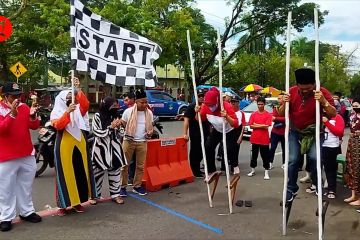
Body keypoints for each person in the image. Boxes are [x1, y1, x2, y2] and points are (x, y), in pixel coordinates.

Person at [278, 68, 336, 201]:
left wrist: (323, 102)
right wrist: (285, 103)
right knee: (292, 160)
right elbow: (281, 113)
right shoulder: (291, 91)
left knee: (315, 158)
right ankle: (291, 188)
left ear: (314, 84)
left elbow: (333, 114)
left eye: (308, 88)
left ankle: (317, 184)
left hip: (314, 132)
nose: (305, 91)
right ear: (297, 85)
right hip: (295, 131)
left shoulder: (322, 92)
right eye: (302, 89)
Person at [50, 78, 97, 215]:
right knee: (65, 173)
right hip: (64, 143)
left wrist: (78, 89)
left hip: (79, 142)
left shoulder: (78, 110)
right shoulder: (56, 112)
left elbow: (85, 105)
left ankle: (78, 202)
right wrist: (67, 113)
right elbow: (58, 125)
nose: (72, 100)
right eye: (69, 98)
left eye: (73, 98)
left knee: (80, 171)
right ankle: (63, 205)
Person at [0, 82, 42, 232]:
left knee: (26, 186)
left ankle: (27, 211)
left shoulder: (24, 107)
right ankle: (6, 217)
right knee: (6, 189)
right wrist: (11, 114)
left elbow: (34, 126)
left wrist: (33, 115)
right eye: (14, 96)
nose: (18, 98)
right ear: (5, 96)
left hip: (26, 153)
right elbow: (2, 130)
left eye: (19, 95)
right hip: (6, 156)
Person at [91, 97, 128, 205]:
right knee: (97, 174)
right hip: (100, 149)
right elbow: (97, 133)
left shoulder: (116, 116)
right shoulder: (97, 116)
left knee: (115, 173)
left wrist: (120, 126)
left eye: (116, 106)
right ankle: (94, 196)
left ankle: (116, 195)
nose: (115, 108)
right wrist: (111, 127)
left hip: (114, 149)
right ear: (106, 105)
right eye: (113, 106)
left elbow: (121, 134)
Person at [196, 87, 240, 175]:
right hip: (217, 129)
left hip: (230, 130)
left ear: (217, 102)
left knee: (229, 148)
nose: (210, 107)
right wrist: (197, 113)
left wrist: (227, 116)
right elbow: (200, 119)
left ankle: (234, 165)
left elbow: (235, 123)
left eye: (212, 105)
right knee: (208, 147)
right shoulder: (205, 107)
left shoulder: (226, 106)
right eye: (208, 105)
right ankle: (211, 169)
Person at [119, 88, 153, 196]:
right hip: (129, 141)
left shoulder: (149, 113)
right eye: (142, 102)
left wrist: (149, 133)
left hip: (142, 141)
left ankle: (137, 186)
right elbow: (123, 123)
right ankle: (122, 187)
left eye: (146, 102)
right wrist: (130, 132)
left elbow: (150, 127)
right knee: (124, 165)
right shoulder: (128, 112)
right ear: (136, 102)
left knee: (140, 166)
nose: (144, 104)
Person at [183, 89, 210, 178]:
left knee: (204, 150)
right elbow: (186, 120)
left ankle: (197, 168)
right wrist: (185, 133)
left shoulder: (206, 106)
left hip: (205, 132)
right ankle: (194, 170)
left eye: (203, 96)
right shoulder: (191, 106)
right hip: (195, 133)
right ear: (196, 97)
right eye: (199, 96)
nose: (201, 97)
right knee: (195, 151)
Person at [247, 97, 273, 180]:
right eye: (258, 104)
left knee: (265, 156)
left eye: (261, 104)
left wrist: (256, 125)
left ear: (264, 104)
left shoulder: (268, 115)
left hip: (264, 139)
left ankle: (266, 172)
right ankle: (252, 170)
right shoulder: (253, 114)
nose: (260, 106)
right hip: (255, 138)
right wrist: (261, 125)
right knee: (254, 156)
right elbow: (251, 125)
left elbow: (266, 127)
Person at [322, 111, 345, 199]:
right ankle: (316, 185)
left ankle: (331, 189)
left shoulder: (337, 117)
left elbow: (340, 132)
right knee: (315, 165)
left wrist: (327, 122)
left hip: (331, 146)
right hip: (319, 145)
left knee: (330, 168)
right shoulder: (318, 114)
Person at [344, 97, 360, 206]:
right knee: (351, 169)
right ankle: (354, 194)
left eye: (357, 106)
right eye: (353, 106)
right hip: (352, 143)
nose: (355, 107)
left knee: (358, 170)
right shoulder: (352, 115)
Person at [269, 93, 285, 169]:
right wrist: (277, 118)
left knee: (284, 148)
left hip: (284, 131)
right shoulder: (276, 107)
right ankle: (270, 162)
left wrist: (276, 118)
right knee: (273, 147)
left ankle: (284, 163)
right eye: (278, 98)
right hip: (275, 131)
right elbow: (273, 117)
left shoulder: (287, 107)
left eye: (280, 98)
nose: (279, 100)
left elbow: (288, 118)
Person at [123, 92, 136, 186]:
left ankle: (131, 178)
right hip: (129, 138)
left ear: (133, 99)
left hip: (137, 139)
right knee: (128, 160)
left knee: (132, 160)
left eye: (126, 99)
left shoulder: (141, 109)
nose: (124, 102)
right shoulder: (126, 110)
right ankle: (128, 179)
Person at [230, 96, 245, 170]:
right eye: (232, 102)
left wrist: (241, 136)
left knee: (235, 150)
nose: (233, 103)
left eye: (234, 102)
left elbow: (243, 125)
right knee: (226, 149)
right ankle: (224, 166)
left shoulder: (241, 113)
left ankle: (234, 166)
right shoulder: (228, 111)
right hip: (228, 131)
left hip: (237, 132)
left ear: (238, 103)